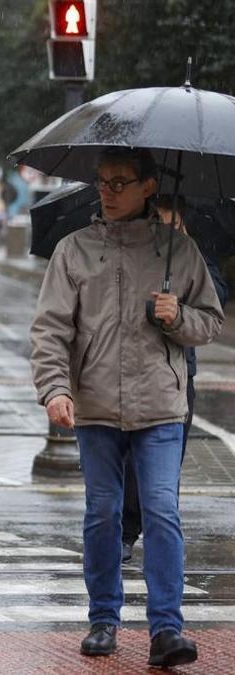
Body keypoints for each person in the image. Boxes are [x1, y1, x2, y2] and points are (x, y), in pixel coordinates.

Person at [31, 148, 223, 667]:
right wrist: (55, 389)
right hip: (93, 406)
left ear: (148, 186)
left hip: (161, 405)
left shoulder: (178, 251)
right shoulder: (74, 250)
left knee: (162, 512)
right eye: (102, 182)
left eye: (120, 182)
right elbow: (50, 329)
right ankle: (103, 620)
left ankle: (167, 630)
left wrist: (178, 315)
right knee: (103, 513)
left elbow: (210, 320)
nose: (108, 192)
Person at [120, 196, 230, 565]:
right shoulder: (131, 254)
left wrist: (177, 307)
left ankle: (158, 536)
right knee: (129, 463)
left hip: (179, 375)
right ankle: (125, 529)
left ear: (181, 221)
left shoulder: (193, 256)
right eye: (156, 219)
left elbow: (214, 302)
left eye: (169, 220)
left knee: (164, 467)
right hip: (128, 371)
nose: (163, 227)